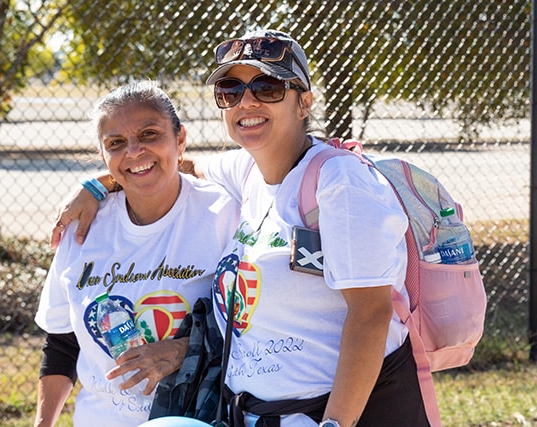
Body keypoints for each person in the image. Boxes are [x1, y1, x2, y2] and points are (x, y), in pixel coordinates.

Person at [52, 29, 432, 427]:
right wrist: (97, 185)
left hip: (341, 416)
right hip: (262, 415)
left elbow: (371, 314)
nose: (245, 101)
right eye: (229, 91)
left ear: (304, 102)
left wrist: (335, 425)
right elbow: (164, 163)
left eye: (266, 87)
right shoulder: (247, 170)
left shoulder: (339, 181)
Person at [33, 81, 239, 427]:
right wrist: (43, 423)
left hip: (195, 418)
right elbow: (62, 344)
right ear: (103, 156)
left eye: (149, 134)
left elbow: (254, 325)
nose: (134, 151)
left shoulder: (224, 213)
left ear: (181, 139)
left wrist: (182, 349)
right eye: (115, 143)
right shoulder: (84, 226)